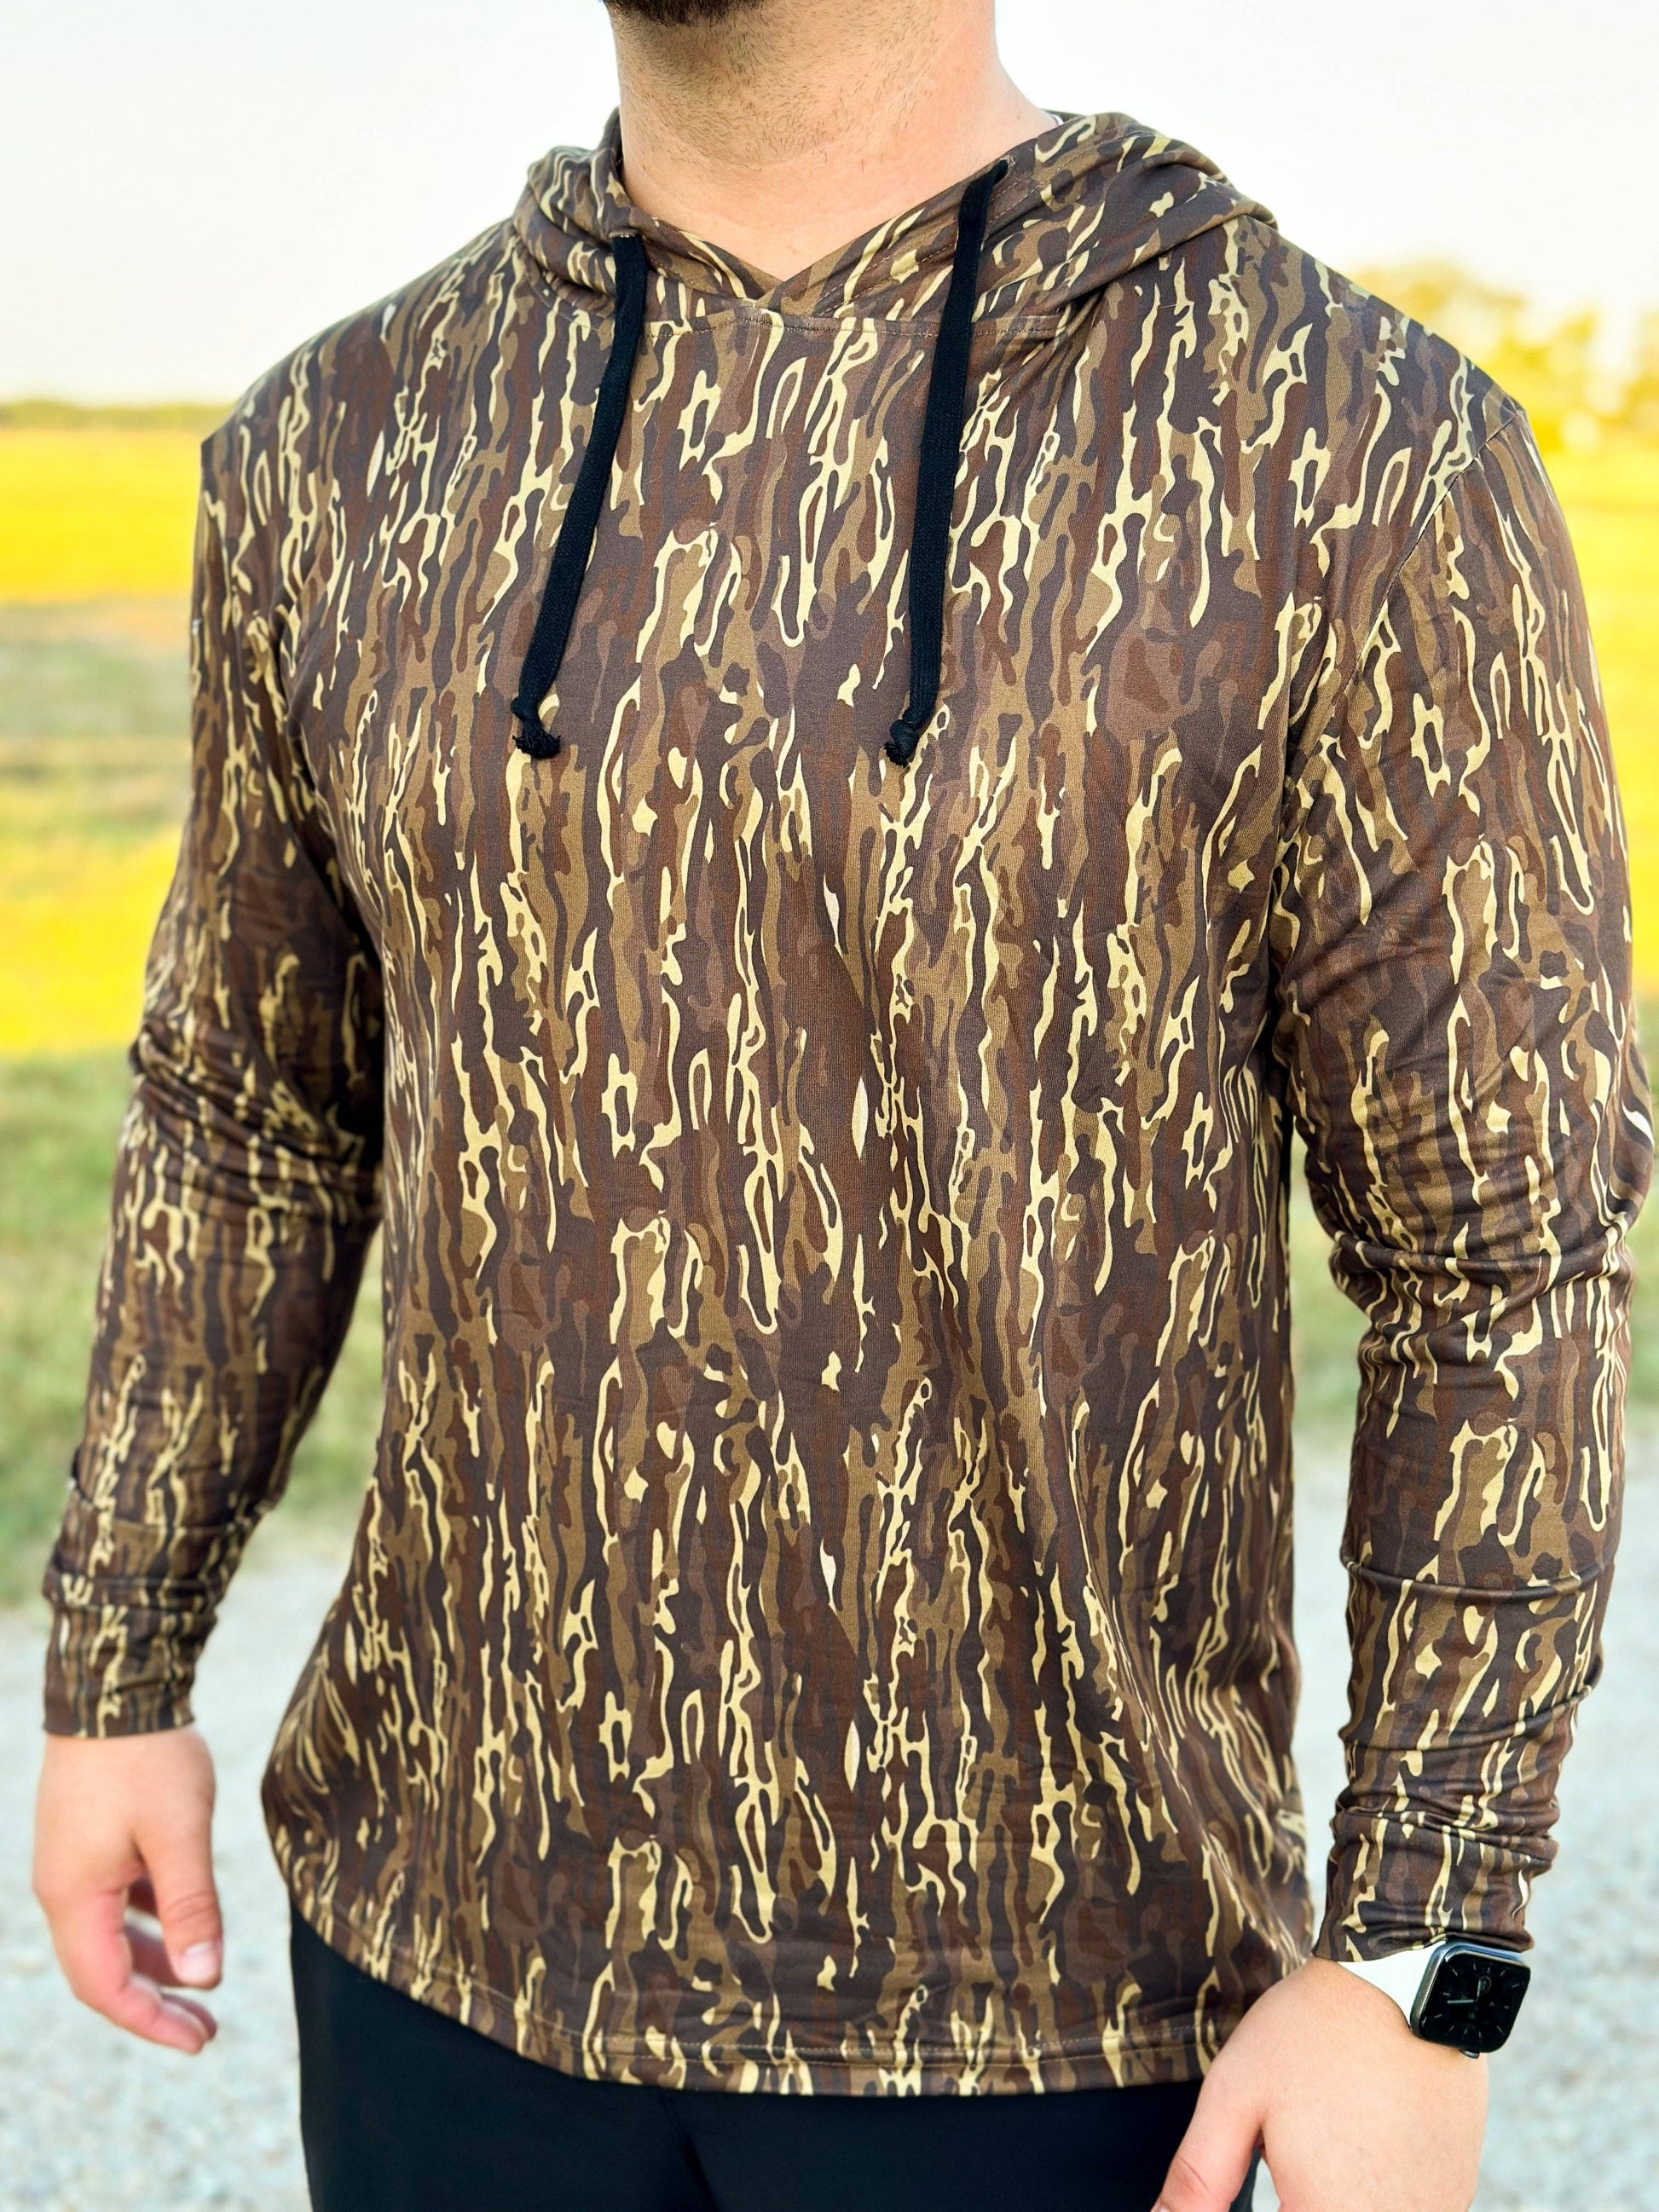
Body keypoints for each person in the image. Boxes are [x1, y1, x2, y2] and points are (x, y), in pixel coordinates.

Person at [31, 1, 1651, 2208]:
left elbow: (1501, 1247)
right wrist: (117, 1664)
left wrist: (1413, 1949)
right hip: (436, 1951)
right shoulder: (341, 446)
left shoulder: (1341, 444)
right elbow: (251, 1113)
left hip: (1057, 2011)